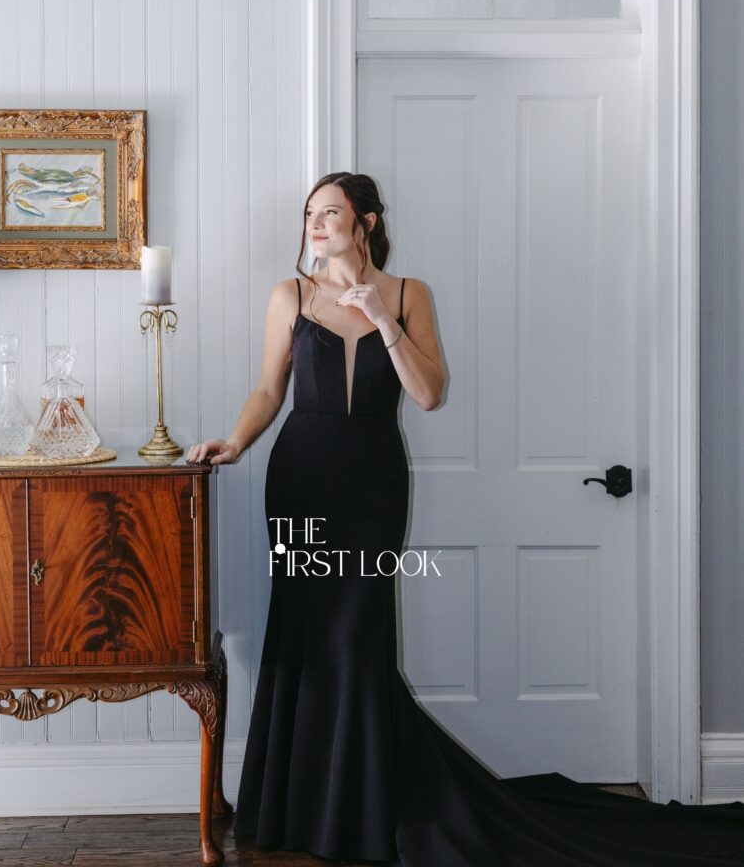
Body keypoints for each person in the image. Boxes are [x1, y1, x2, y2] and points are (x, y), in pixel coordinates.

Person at [187, 172, 744, 866]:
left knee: (358, 639)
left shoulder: (407, 294)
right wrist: (235, 442)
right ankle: (297, 809)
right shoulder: (290, 296)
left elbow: (427, 394)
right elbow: (269, 387)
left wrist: (381, 318)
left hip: (373, 485)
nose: (315, 225)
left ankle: (360, 812)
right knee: (304, 631)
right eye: (309, 215)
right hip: (300, 478)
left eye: (330, 213)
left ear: (365, 222)